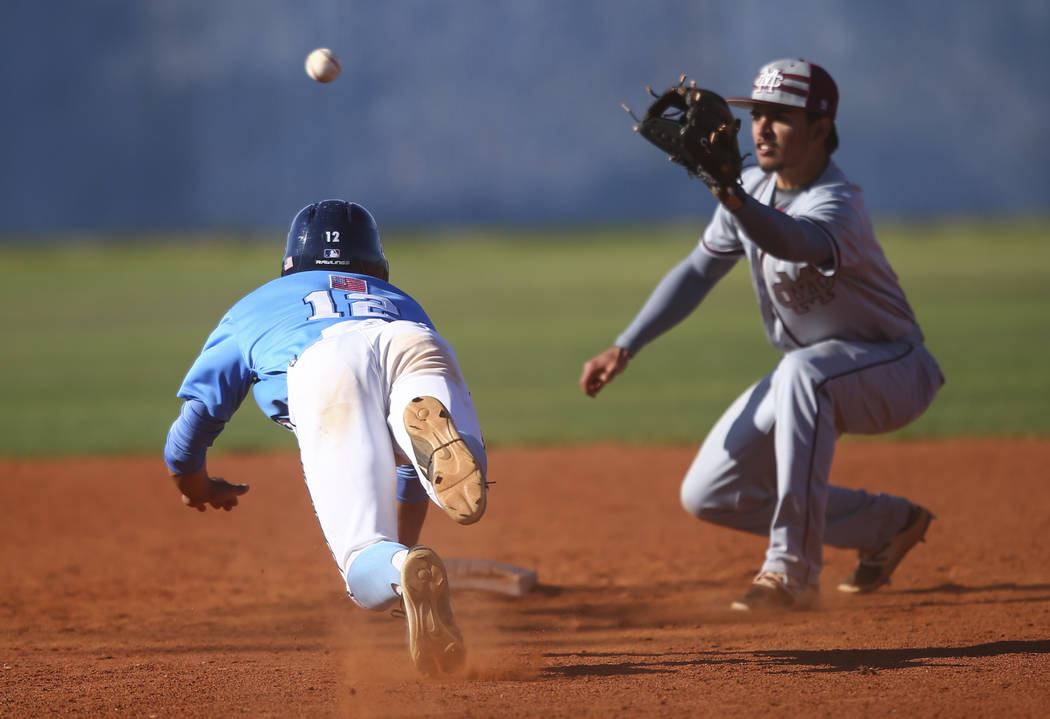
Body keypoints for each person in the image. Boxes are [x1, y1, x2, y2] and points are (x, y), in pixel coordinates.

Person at [580, 59, 944, 611]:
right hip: (814, 373)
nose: (760, 129)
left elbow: (791, 241)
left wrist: (732, 196)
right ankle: (886, 524)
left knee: (802, 374)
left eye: (781, 117)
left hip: (893, 369)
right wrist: (624, 344)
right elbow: (698, 271)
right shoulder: (749, 188)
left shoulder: (837, 203)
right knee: (710, 493)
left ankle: (790, 571)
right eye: (756, 115)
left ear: (821, 129)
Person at [164, 199, 488, 674]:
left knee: (363, 563)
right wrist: (407, 537)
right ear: (376, 263)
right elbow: (410, 474)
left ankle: (394, 570)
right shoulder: (401, 299)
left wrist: (194, 486)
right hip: (409, 338)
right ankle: (453, 453)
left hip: (326, 367)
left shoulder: (252, 307)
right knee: (436, 448)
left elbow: (197, 419)